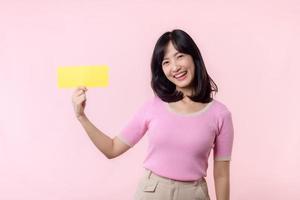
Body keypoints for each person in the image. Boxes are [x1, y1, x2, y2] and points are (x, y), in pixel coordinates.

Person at [72, 29, 234, 200]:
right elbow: (112, 149)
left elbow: (222, 174)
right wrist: (81, 117)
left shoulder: (220, 114)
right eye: (166, 62)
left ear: (194, 57)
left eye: (180, 56)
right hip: (152, 193)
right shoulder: (153, 107)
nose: (175, 67)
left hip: (194, 194)